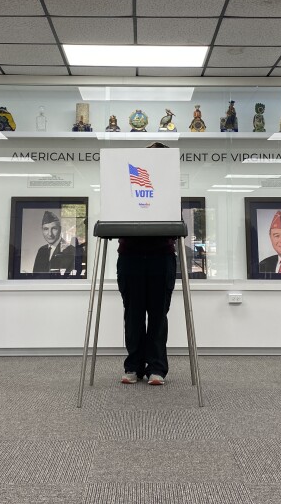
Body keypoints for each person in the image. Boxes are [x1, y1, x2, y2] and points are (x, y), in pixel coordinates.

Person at [118, 142, 176, 386]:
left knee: (158, 314)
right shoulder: (127, 185)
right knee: (133, 314)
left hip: (160, 256)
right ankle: (133, 366)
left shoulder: (170, 189)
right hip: (131, 255)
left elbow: (176, 225)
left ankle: (157, 368)